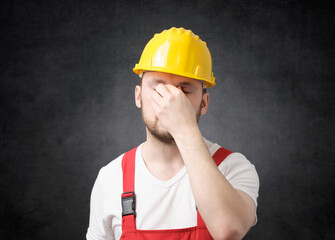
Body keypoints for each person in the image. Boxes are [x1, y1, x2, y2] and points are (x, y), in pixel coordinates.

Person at [86, 27, 259, 240]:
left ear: (204, 103)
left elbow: (228, 231)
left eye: (184, 91)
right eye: (159, 89)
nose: (170, 101)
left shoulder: (233, 167)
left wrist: (184, 128)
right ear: (138, 97)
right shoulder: (110, 178)